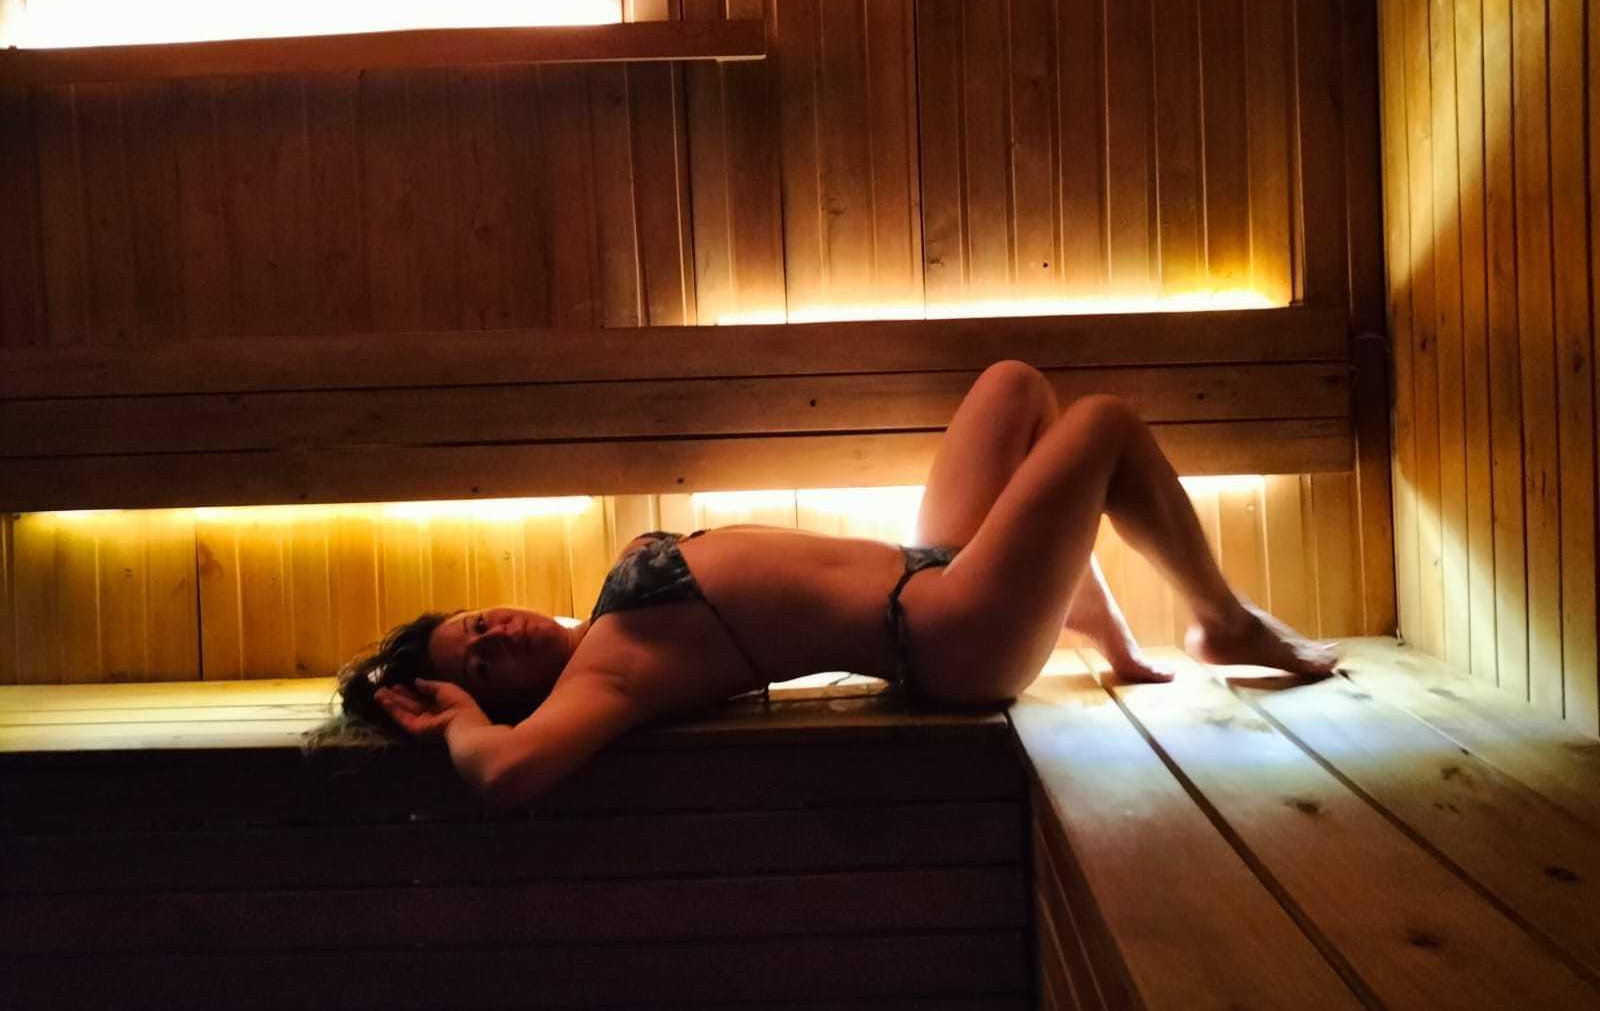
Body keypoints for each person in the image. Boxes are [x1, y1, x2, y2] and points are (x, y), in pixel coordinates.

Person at [332, 360, 1337, 811]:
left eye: (476, 623)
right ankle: (1223, 621)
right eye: (484, 664)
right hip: (947, 638)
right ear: (507, 701)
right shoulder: (609, 674)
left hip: (927, 574)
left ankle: (1099, 632)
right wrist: (460, 717)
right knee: (1104, 425)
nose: (496, 635)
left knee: (1015, 386)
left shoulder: (606, 618)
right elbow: (507, 774)